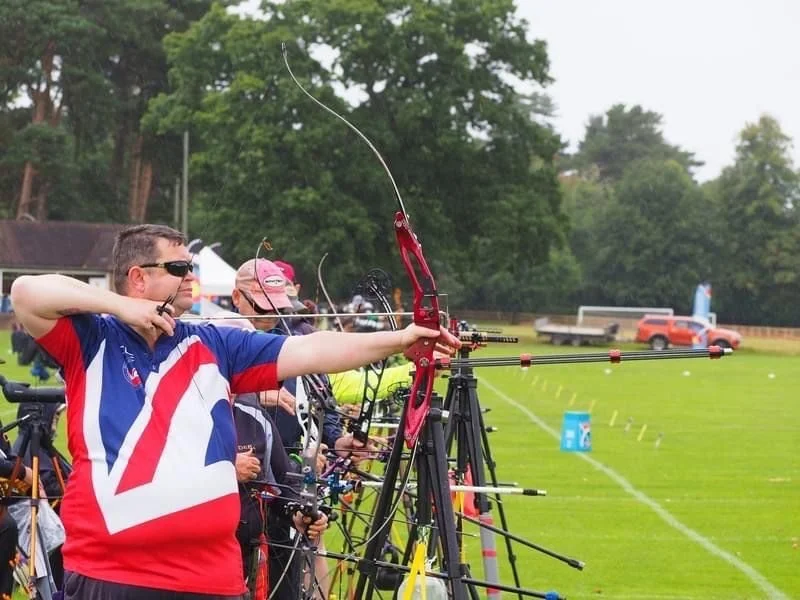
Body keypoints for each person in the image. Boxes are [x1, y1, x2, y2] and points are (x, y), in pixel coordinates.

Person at [9, 224, 459, 600]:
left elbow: (311, 349)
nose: (191, 276)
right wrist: (121, 307)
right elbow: (26, 291)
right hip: (110, 575)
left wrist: (401, 340)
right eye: (178, 268)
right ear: (138, 278)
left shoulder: (215, 343)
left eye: (191, 267)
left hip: (212, 579)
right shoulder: (92, 340)